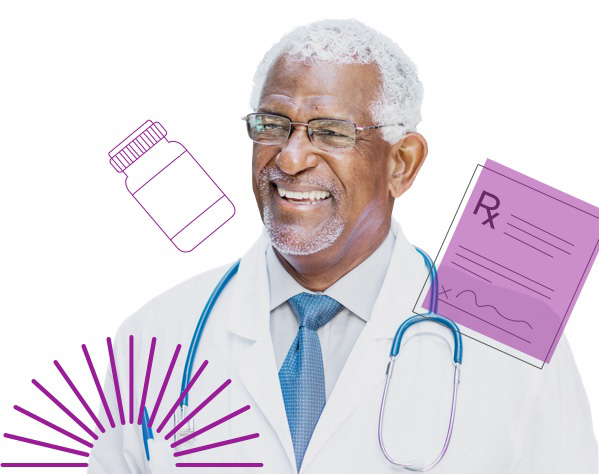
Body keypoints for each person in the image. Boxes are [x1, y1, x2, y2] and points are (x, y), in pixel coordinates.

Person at [88, 19, 598, 473]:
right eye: (272, 125)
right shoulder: (154, 337)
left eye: (330, 133)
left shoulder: (515, 344)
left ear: (401, 163)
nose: (289, 160)